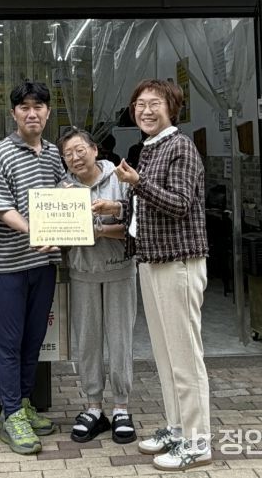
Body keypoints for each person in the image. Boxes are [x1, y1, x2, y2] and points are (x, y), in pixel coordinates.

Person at [93, 79, 211, 471]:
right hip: (151, 259)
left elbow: (179, 204)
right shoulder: (150, 147)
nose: (145, 110)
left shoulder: (180, 146)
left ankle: (197, 442)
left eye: (154, 103)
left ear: (172, 108)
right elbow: (146, 210)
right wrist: (117, 208)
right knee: (166, 355)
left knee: (185, 357)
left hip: (178, 262)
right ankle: (177, 429)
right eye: (139, 104)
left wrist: (137, 183)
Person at [0, 81, 64, 455]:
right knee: (9, 343)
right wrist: (36, 230)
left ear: (48, 112)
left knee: (33, 340)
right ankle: (11, 413)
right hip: (9, 265)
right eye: (25, 107)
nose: (32, 113)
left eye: (39, 106)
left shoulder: (54, 154)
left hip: (44, 264)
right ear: (13, 113)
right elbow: (0, 207)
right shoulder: (0, 153)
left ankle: (25, 403)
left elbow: (65, 199)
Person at [58, 128, 137, 445]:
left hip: (119, 269)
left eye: (80, 150)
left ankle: (121, 407)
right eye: (68, 154)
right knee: (87, 341)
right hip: (82, 271)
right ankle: (93, 406)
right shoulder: (63, 188)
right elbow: (61, 234)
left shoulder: (120, 178)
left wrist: (101, 231)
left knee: (120, 339)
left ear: (94, 150)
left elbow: (137, 227)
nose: (75, 157)